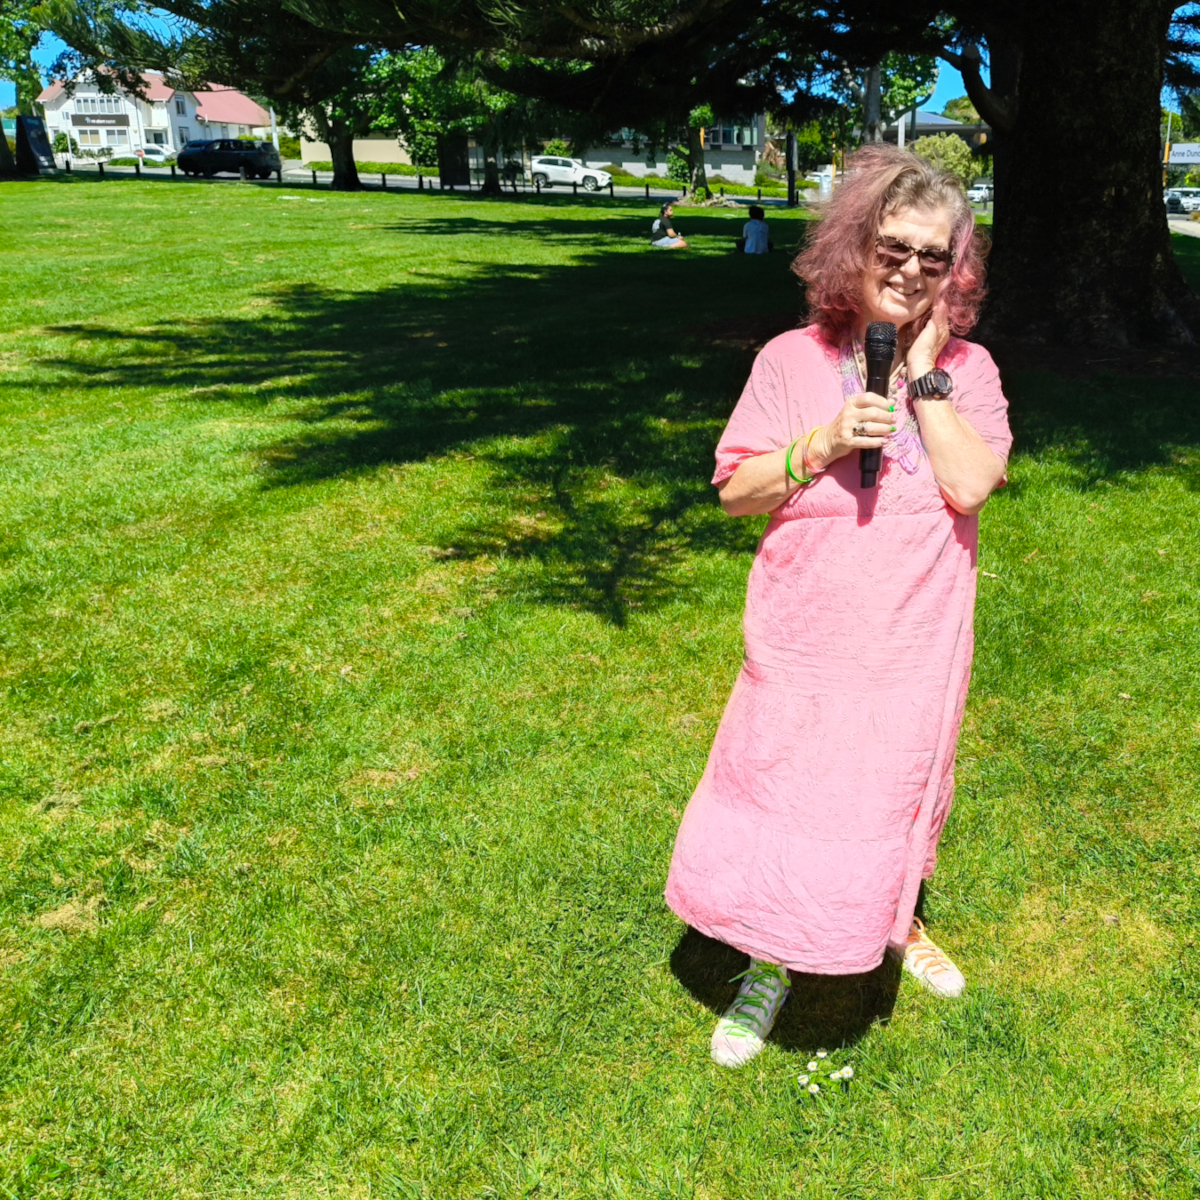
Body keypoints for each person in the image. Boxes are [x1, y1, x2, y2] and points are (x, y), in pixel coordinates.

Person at [664, 144, 1011, 1068]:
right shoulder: (791, 359)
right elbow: (735, 491)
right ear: (854, 246)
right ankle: (768, 957)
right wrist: (817, 444)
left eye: (933, 256)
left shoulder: (969, 369)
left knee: (893, 788)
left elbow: (970, 485)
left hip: (915, 635)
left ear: (954, 268)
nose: (911, 271)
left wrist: (926, 377)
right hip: (807, 633)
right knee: (789, 791)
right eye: (894, 249)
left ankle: (895, 920)